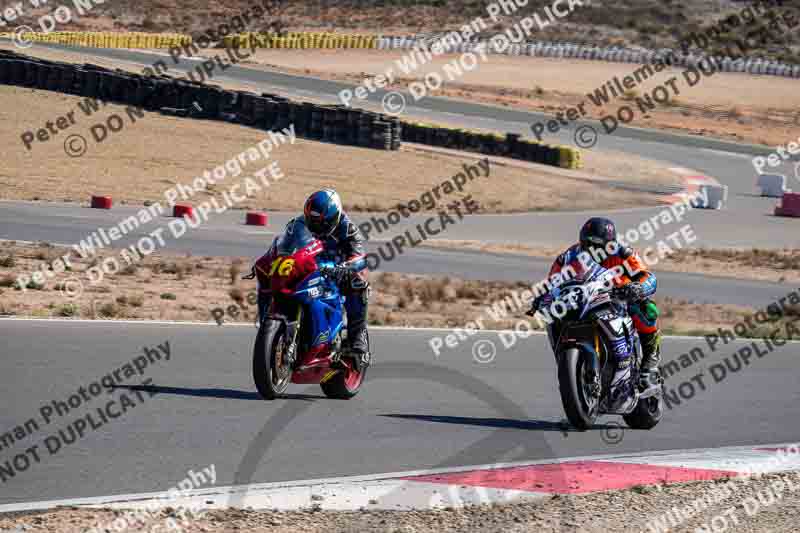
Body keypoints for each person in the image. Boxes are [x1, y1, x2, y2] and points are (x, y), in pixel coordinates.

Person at [540, 217, 662, 404]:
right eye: (587, 243)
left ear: (610, 244)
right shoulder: (567, 257)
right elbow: (551, 283)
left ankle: (650, 359)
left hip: (617, 300)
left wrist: (638, 287)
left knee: (646, 308)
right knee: (551, 314)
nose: (591, 249)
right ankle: (568, 363)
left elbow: (648, 277)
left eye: (596, 245)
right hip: (582, 301)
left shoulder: (623, 253)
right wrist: (543, 298)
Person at [301, 188, 371, 370]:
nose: (315, 227)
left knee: (359, 282)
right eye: (312, 221)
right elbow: (285, 243)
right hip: (308, 269)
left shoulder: (348, 229)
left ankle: (358, 338)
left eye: (320, 223)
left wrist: (347, 267)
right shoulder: (300, 224)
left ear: (334, 218)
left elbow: (359, 257)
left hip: (336, 273)